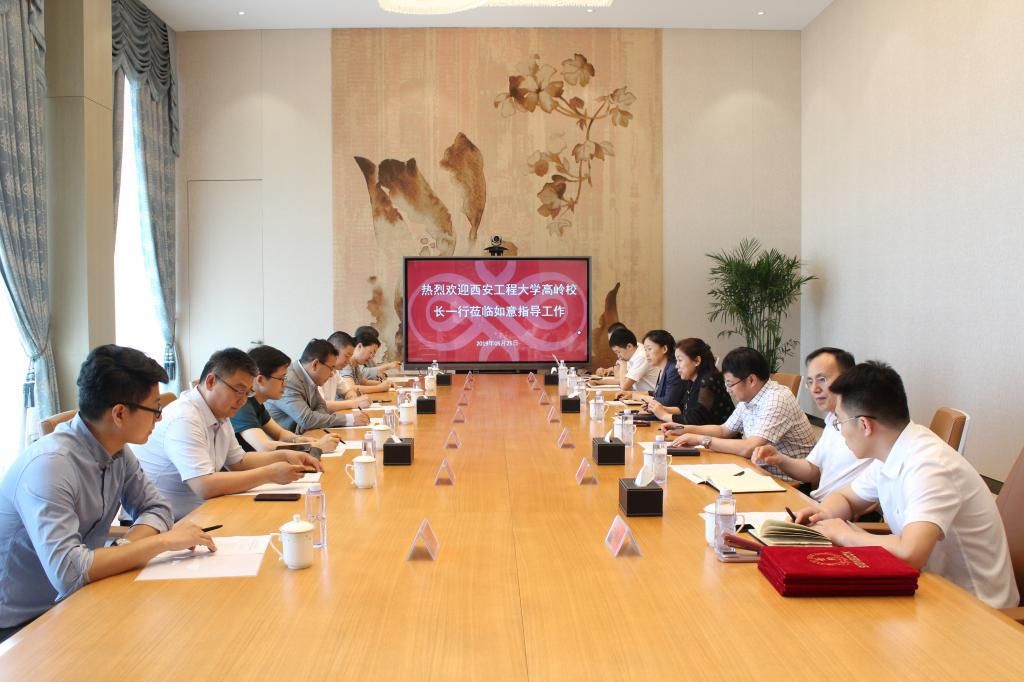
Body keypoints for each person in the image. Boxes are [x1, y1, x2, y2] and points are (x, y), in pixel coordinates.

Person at [0, 345, 216, 642]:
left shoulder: (116, 450)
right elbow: (69, 572)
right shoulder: (50, 466)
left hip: (82, 597)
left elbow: (157, 508)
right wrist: (162, 541)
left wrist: (122, 549)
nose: (159, 418)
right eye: (155, 409)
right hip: (21, 624)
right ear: (119, 413)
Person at [792, 362, 1018, 609]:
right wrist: (824, 515)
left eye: (840, 422)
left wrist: (844, 534)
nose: (840, 432)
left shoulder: (929, 465)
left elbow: (911, 552)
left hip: (977, 611)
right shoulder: (891, 451)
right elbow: (846, 497)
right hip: (931, 590)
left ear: (865, 425)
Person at [135, 348, 321, 520]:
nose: (242, 401)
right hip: (171, 522)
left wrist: (285, 456)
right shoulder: (185, 418)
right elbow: (204, 485)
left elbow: (238, 462)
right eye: (239, 391)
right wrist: (269, 474)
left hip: (204, 511)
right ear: (211, 381)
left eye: (248, 393)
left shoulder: (219, 412)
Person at [666, 346, 816, 478]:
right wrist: (684, 429)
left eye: (730, 384)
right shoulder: (750, 398)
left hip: (786, 481)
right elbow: (724, 430)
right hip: (758, 471)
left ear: (751, 380)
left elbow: (750, 447)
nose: (727, 389)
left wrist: (702, 440)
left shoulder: (777, 399)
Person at [751, 347, 875, 500]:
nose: (815, 389)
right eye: (810, 382)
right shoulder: (833, 418)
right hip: (819, 504)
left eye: (822, 379)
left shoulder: (866, 425)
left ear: (848, 379)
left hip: (840, 511)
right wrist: (780, 459)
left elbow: (872, 497)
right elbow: (812, 470)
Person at [231, 345, 340, 453]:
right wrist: (316, 446)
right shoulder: (243, 405)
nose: (285, 384)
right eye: (281, 378)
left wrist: (300, 440)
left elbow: (280, 434)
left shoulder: (257, 404)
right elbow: (264, 447)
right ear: (260, 380)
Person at [267, 339, 371, 432]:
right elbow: (307, 419)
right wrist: (349, 419)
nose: (332, 374)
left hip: (301, 435)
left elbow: (321, 407)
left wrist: (312, 421)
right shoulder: (289, 380)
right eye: (331, 368)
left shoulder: (308, 376)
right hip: (282, 441)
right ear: (315, 364)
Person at [647, 338, 732, 426]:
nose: (676, 366)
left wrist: (664, 415)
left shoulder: (708, 381)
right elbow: (683, 408)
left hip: (714, 434)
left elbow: (696, 421)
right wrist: (660, 409)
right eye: (676, 361)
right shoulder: (693, 380)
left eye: (680, 360)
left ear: (697, 361)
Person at [620, 330, 685, 419]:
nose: (646, 354)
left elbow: (668, 402)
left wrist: (639, 396)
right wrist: (631, 394)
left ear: (664, 349)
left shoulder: (673, 369)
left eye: (649, 349)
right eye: (645, 350)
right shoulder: (665, 368)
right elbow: (658, 393)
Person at [591, 327, 660, 391]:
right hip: (638, 394)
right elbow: (621, 380)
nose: (618, 356)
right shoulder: (634, 350)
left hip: (650, 397)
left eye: (618, 352)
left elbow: (624, 386)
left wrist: (623, 364)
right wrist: (599, 382)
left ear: (629, 346)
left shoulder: (641, 357)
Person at [319, 331, 373, 412]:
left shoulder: (335, 371)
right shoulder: (317, 372)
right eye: (346, 356)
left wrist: (352, 397)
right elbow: (321, 405)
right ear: (333, 351)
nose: (348, 361)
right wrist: (354, 403)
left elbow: (347, 391)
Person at [339, 329, 393, 398]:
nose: (371, 357)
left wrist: (384, 383)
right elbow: (351, 388)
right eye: (371, 352)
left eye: (374, 354)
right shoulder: (346, 363)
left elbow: (365, 382)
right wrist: (379, 388)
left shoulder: (356, 364)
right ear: (359, 346)